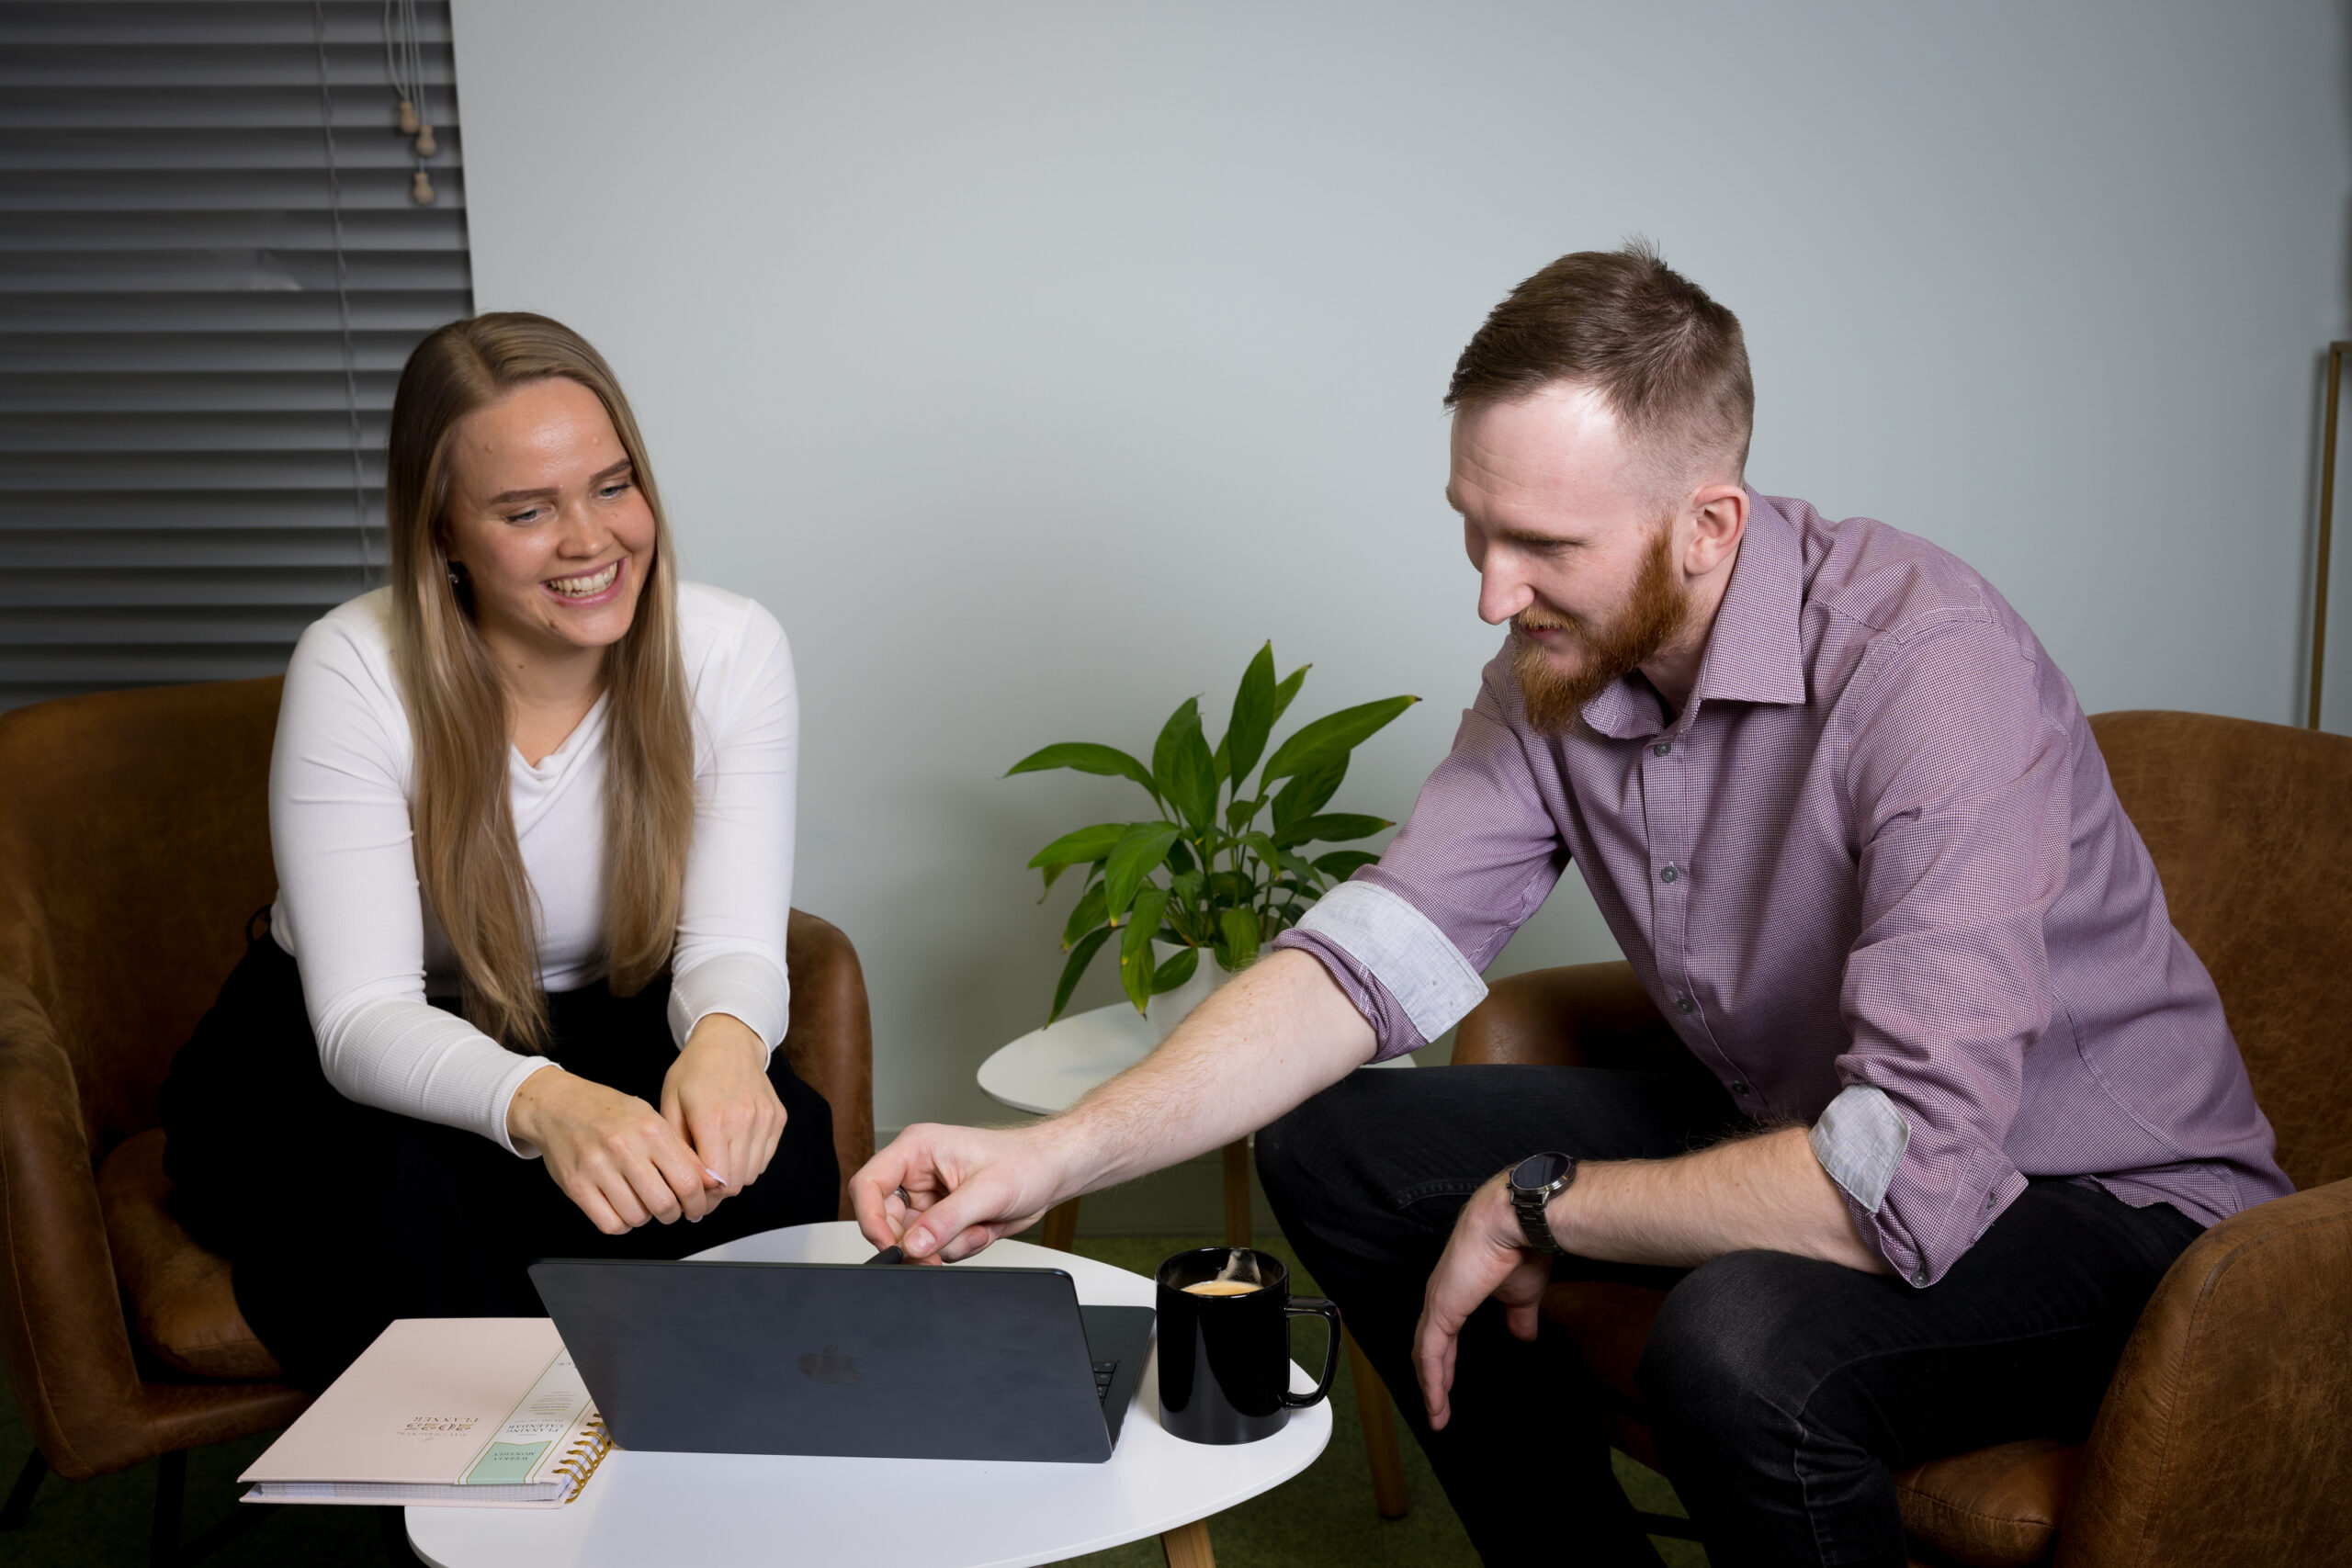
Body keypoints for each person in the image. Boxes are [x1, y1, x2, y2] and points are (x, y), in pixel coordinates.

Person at [850, 246, 2290, 1565]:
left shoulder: (1931, 665)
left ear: (1709, 524)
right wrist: (1052, 1153)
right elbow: (1365, 963)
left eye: (1542, 543)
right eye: (1473, 528)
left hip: (2108, 1208)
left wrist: (1549, 1201)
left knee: (1735, 1343)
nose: (1491, 592)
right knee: (1342, 1142)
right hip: (1807, 1125)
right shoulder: (1554, 668)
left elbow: (1899, 1173)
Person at [161, 313, 839, 1387]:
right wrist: (552, 1104)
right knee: (413, 1195)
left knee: (778, 1148)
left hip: (601, 1015)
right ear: (443, 534)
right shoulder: (351, 667)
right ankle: (505, 1525)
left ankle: (730, 1478)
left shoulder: (732, 650)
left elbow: (731, 942)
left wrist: (722, 1042)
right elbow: (363, 1020)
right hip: (344, 1047)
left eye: (613, 487)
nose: (590, 541)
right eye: (527, 511)